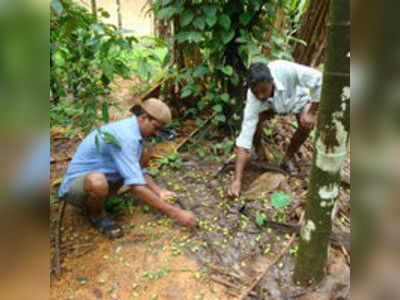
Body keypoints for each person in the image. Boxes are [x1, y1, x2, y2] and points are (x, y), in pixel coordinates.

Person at [58, 98, 197, 239]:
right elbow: (136, 186)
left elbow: (137, 170)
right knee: (97, 182)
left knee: (145, 154)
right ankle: (97, 216)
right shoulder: (127, 137)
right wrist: (176, 213)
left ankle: (103, 200)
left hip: (103, 178)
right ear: (143, 118)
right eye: (156, 128)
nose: (156, 133)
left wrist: (158, 191)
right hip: (75, 189)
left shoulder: (136, 132)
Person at [227, 60, 322, 198]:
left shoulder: (286, 70)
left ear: (272, 81)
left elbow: (319, 79)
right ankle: (259, 149)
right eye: (255, 92)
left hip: (297, 100)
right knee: (254, 121)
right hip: (272, 107)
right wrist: (237, 180)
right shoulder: (254, 98)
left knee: (306, 123)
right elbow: (244, 140)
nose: (260, 96)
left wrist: (312, 111)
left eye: (264, 90)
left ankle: (288, 157)